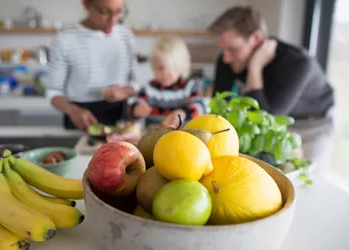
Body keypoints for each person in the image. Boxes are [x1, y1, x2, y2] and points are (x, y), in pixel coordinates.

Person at [210, 6, 336, 173]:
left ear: (256, 38)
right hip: (277, 122)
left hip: (313, 123)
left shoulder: (297, 63)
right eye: (222, 49)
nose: (225, 58)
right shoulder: (227, 60)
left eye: (233, 49)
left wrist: (255, 68)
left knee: (302, 178)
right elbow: (219, 106)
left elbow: (268, 117)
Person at [46, 0, 139, 131]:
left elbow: (134, 84)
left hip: (121, 121)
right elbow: (53, 92)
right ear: (86, 5)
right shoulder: (65, 39)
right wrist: (72, 111)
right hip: (80, 120)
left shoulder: (126, 36)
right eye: (105, 12)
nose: (113, 20)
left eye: (119, 11)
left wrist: (124, 91)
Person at [130, 36, 207, 128]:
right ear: (153, 66)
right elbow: (134, 104)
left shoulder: (191, 86)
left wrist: (183, 113)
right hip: (154, 137)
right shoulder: (148, 88)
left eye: (171, 68)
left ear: (181, 66)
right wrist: (136, 109)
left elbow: (200, 106)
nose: (165, 73)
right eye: (160, 68)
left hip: (184, 137)